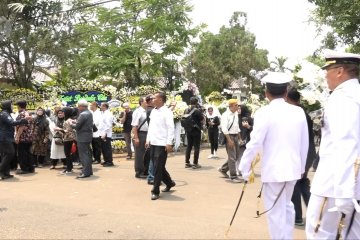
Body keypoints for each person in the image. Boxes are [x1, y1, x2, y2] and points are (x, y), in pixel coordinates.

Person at [239, 72, 309, 240]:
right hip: (293, 169)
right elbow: (304, 143)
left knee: (275, 213)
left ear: (266, 93)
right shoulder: (298, 112)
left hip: (274, 171)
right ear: (286, 92)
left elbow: (254, 143)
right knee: (287, 207)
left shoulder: (264, 112)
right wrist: (301, 168)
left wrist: (244, 167)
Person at [305, 50, 360, 240]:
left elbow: (347, 144)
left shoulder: (344, 98)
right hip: (347, 183)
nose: (325, 75)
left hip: (334, 185)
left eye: (327, 70)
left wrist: (345, 192)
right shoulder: (353, 94)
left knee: (319, 233)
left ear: (340, 71)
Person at [286, 88, 316, 226]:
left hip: (302, 151)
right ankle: (314, 213)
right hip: (309, 150)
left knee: (296, 183)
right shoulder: (304, 112)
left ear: (288, 99)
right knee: (303, 182)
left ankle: (297, 217)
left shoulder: (296, 113)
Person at [145, 92, 176, 200]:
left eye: (154, 98)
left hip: (162, 144)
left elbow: (171, 128)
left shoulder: (167, 112)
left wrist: (169, 143)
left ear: (161, 100)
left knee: (157, 168)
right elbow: (151, 127)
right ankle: (169, 182)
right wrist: (148, 139)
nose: (152, 99)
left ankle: (155, 191)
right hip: (153, 142)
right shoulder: (153, 111)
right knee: (158, 166)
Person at [0, 100, 29, 179]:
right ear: (7, 105)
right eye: (11, 105)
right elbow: (11, 122)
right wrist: (22, 120)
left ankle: (5, 173)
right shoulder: (5, 114)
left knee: (5, 155)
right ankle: (1, 170)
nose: (12, 106)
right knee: (10, 153)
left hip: (6, 137)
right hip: (5, 138)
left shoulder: (5, 113)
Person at [218, 99, 243, 182]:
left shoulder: (235, 114)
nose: (238, 107)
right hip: (229, 136)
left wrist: (240, 138)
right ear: (231, 106)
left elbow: (237, 127)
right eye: (236, 105)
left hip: (235, 135)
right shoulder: (225, 115)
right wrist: (229, 140)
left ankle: (223, 169)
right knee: (232, 157)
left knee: (235, 156)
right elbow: (224, 128)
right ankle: (233, 176)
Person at [72, 100, 93, 178]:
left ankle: (85, 172)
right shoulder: (89, 113)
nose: (78, 108)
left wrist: (71, 124)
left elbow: (77, 126)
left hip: (82, 136)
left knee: (83, 155)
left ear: (82, 106)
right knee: (87, 154)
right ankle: (89, 171)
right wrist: (75, 122)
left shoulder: (83, 114)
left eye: (79, 106)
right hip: (87, 136)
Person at [15, 100, 35, 174]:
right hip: (29, 136)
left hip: (23, 137)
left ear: (19, 106)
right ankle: (31, 168)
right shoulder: (29, 113)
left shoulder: (21, 114)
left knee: (22, 153)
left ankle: (24, 169)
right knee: (28, 153)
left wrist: (17, 136)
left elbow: (21, 127)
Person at [131, 96, 149, 178]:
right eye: (146, 101)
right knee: (139, 154)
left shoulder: (148, 111)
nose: (147, 102)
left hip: (147, 134)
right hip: (140, 134)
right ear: (141, 102)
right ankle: (139, 172)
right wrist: (136, 137)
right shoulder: (138, 112)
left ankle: (145, 171)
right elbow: (134, 126)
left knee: (146, 154)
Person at [184, 97, 204, 169]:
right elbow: (202, 120)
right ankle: (195, 163)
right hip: (196, 130)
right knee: (196, 147)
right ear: (196, 102)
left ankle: (187, 162)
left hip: (188, 130)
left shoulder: (186, 110)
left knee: (189, 146)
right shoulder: (197, 111)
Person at [98, 102, 114, 167]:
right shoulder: (103, 113)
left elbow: (108, 125)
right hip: (102, 133)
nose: (100, 107)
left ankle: (109, 161)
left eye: (101, 106)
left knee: (107, 148)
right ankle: (106, 160)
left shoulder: (108, 114)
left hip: (106, 133)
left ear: (104, 106)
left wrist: (104, 133)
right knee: (104, 148)